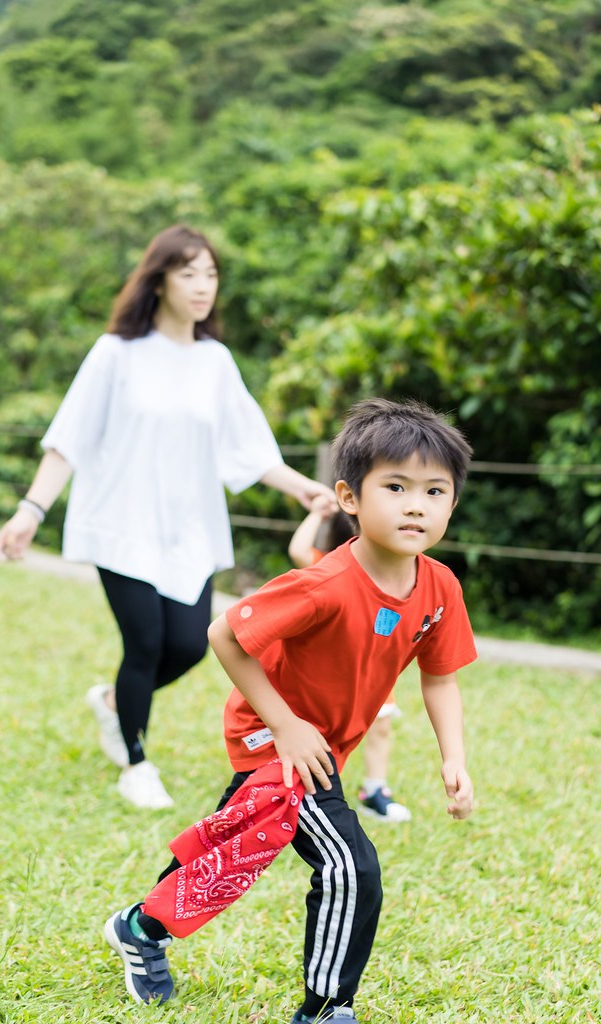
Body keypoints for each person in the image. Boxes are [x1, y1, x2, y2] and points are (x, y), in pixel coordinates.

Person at [103, 397, 477, 1023]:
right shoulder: (324, 584)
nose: (416, 504)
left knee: (236, 840)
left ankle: (140, 928)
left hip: (320, 742)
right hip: (275, 738)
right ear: (349, 497)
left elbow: (439, 678)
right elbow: (225, 634)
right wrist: (287, 726)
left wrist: (454, 759)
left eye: (435, 491)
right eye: (395, 486)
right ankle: (328, 1009)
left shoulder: (438, 586)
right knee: (349, 865)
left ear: (452, 504)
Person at [0, 224, 335, 811]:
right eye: (188, 273)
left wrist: (304, 488)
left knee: (189, 646)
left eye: (210, 273)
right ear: (159, 281)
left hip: (190, 529)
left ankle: (112, 705)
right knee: (146, 644)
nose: (203, 286)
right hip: (120, 523)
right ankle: (136, 761)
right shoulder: (116, 353)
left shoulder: (215, 361)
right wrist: (31, 509)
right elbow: (69, 438)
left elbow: (249, 447)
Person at [288, 496, 411, 823]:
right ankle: (296, 785)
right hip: (328, 675)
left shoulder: (397, 575)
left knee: (381, 726)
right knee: (319, 732)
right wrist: (317, 512)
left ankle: (375, 790)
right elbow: (298, 550)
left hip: (375, 672)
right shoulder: (329, 567)